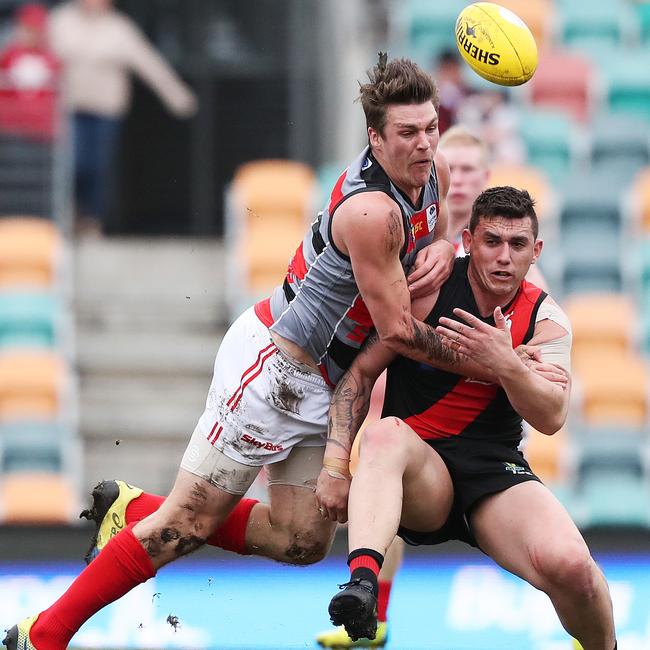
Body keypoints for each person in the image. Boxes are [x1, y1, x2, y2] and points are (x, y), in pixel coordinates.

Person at [2, 53, 464, 650]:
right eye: (407, 133)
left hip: (328, 380)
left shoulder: (436, 173)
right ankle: (42, 634)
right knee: (186, 524)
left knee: (304, 542)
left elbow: (437, 236)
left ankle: (134, 505)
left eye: (430, 129)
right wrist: (483, 357)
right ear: (374, 138)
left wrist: (445, 247)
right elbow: (398, 331)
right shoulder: (370, 211)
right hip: (276, 371)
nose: (424, 144)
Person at [323, 186, 617, 650]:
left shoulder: (546, 320)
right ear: (468, 240)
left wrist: (506, 362)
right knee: (385, 434)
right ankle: (362, 585)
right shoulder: (425, 290)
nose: (504, 257)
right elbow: (359, 377)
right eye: (492, 241)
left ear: (536, 250)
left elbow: (552, 416)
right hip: (421, 471)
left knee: (574, 569)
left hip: (492, 473)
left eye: (517, 244)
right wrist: (335, 466)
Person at [315, 124, 548, 649]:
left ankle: (580, 614)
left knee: (554, 556)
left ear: (485, 179)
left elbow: (541, 364)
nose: (459, 179)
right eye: (453, 169)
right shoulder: (423, 251)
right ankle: (371, 618)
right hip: (415, 427)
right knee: (380, 460)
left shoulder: (519, 274)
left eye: (470, 170)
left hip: (483, 438)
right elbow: (388, 337)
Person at [48, 0, 198, 235]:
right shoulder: (61, 22)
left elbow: (149, 64)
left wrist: (177, 96)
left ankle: (91, 220)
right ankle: (71, 213)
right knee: (75, 162)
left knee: (98, 166)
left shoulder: (119, 28)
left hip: (106, 110)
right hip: (70, 108)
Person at [0, 3, 60, 139]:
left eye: (36, 30)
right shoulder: (8, 55)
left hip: (41, 130)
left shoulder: (50, 59)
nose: (32, 35)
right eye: (28, 29)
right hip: (10, 127)